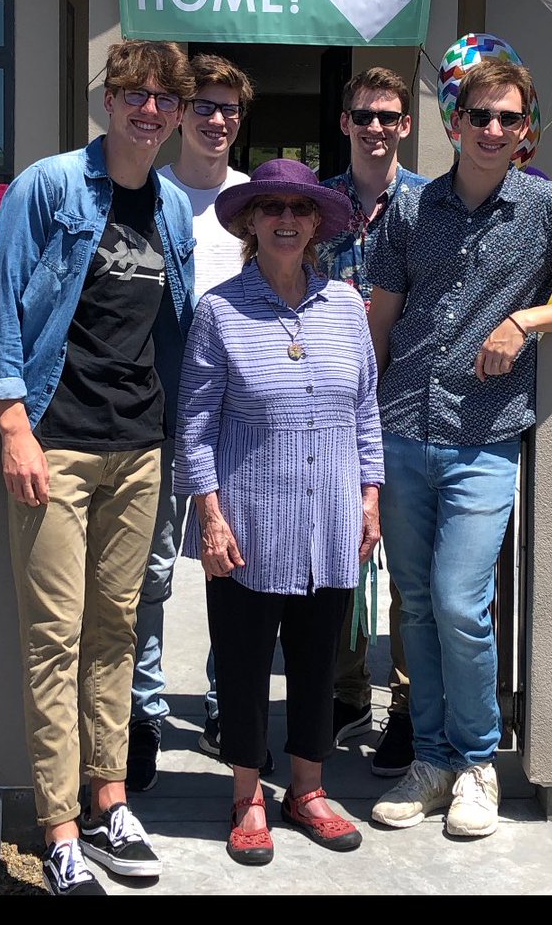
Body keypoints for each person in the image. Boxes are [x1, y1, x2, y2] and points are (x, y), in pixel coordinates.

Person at [367, 56, 552, 839]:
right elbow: (380, 319)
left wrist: (526, 322)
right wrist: (358, 437)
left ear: (525, 130)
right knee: (414, 608)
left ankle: (475, 761)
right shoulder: (409, 210)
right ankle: (433, 763)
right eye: (480, 116)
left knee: (458, 603)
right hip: (403, 425)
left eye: (509, 119)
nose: (493, 130)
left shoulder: (545, 207)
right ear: (454, 122)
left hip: (484, 436)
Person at [0, 39, 196, 895]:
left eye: (164, 99)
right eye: (134, 94)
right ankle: (61, 827)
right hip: (56, 444)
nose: (149, 110)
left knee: (115, 633)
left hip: (139, 447)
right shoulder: (51, 186)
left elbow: (171, 331)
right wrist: (14, 427)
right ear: (108, 100)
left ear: (177, 115)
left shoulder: (171, 207)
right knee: (54, 640)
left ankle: (110, 804)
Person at [174, 159, 384, 865]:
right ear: (249, 223)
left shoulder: (345, 308)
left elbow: (365, 413)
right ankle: (245, 795)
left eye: (298, 208)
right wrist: (209, 515)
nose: (285, 220)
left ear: (317, 223)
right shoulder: (219, 310)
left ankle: (307, 788)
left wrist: (369, 498)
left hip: (330, 519)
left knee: (318, 661)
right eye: (271, 209)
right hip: (246, 523)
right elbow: (195, 425)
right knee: (239, 663)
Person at [126, 51, 271, 792]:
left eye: (229, 110)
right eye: (204, 107)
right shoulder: (148, 197)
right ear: (181, 115)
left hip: (237, 425)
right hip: (152, 416)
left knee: (234, 572)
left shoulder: (257, 205)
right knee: (150, 576)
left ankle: (227, 705)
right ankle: (143, 714)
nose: (216, 120)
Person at [316, 65, 427, 777]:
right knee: (341, 561)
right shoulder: (315, 204)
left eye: (389, 116)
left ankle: (407, 706)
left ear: (406, 124)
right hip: (329, 412)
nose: (377, 128)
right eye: (365, 116)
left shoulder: (430, 204)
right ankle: (347, 690)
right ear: (345, 123)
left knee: (408, 569)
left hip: (410, 407)